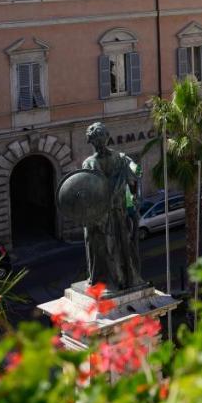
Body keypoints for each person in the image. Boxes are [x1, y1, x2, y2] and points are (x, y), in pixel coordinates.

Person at [81, 121, 144, 292]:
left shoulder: (100, 161)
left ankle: (113, 279)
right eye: (97, 140)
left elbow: (89, 190)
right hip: (110, 213)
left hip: (107, 214)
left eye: (100, 139)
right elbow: (134, 175)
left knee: (109, 248)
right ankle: (118, 278)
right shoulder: (117, 158)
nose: (99, 143)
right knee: (115, 247)